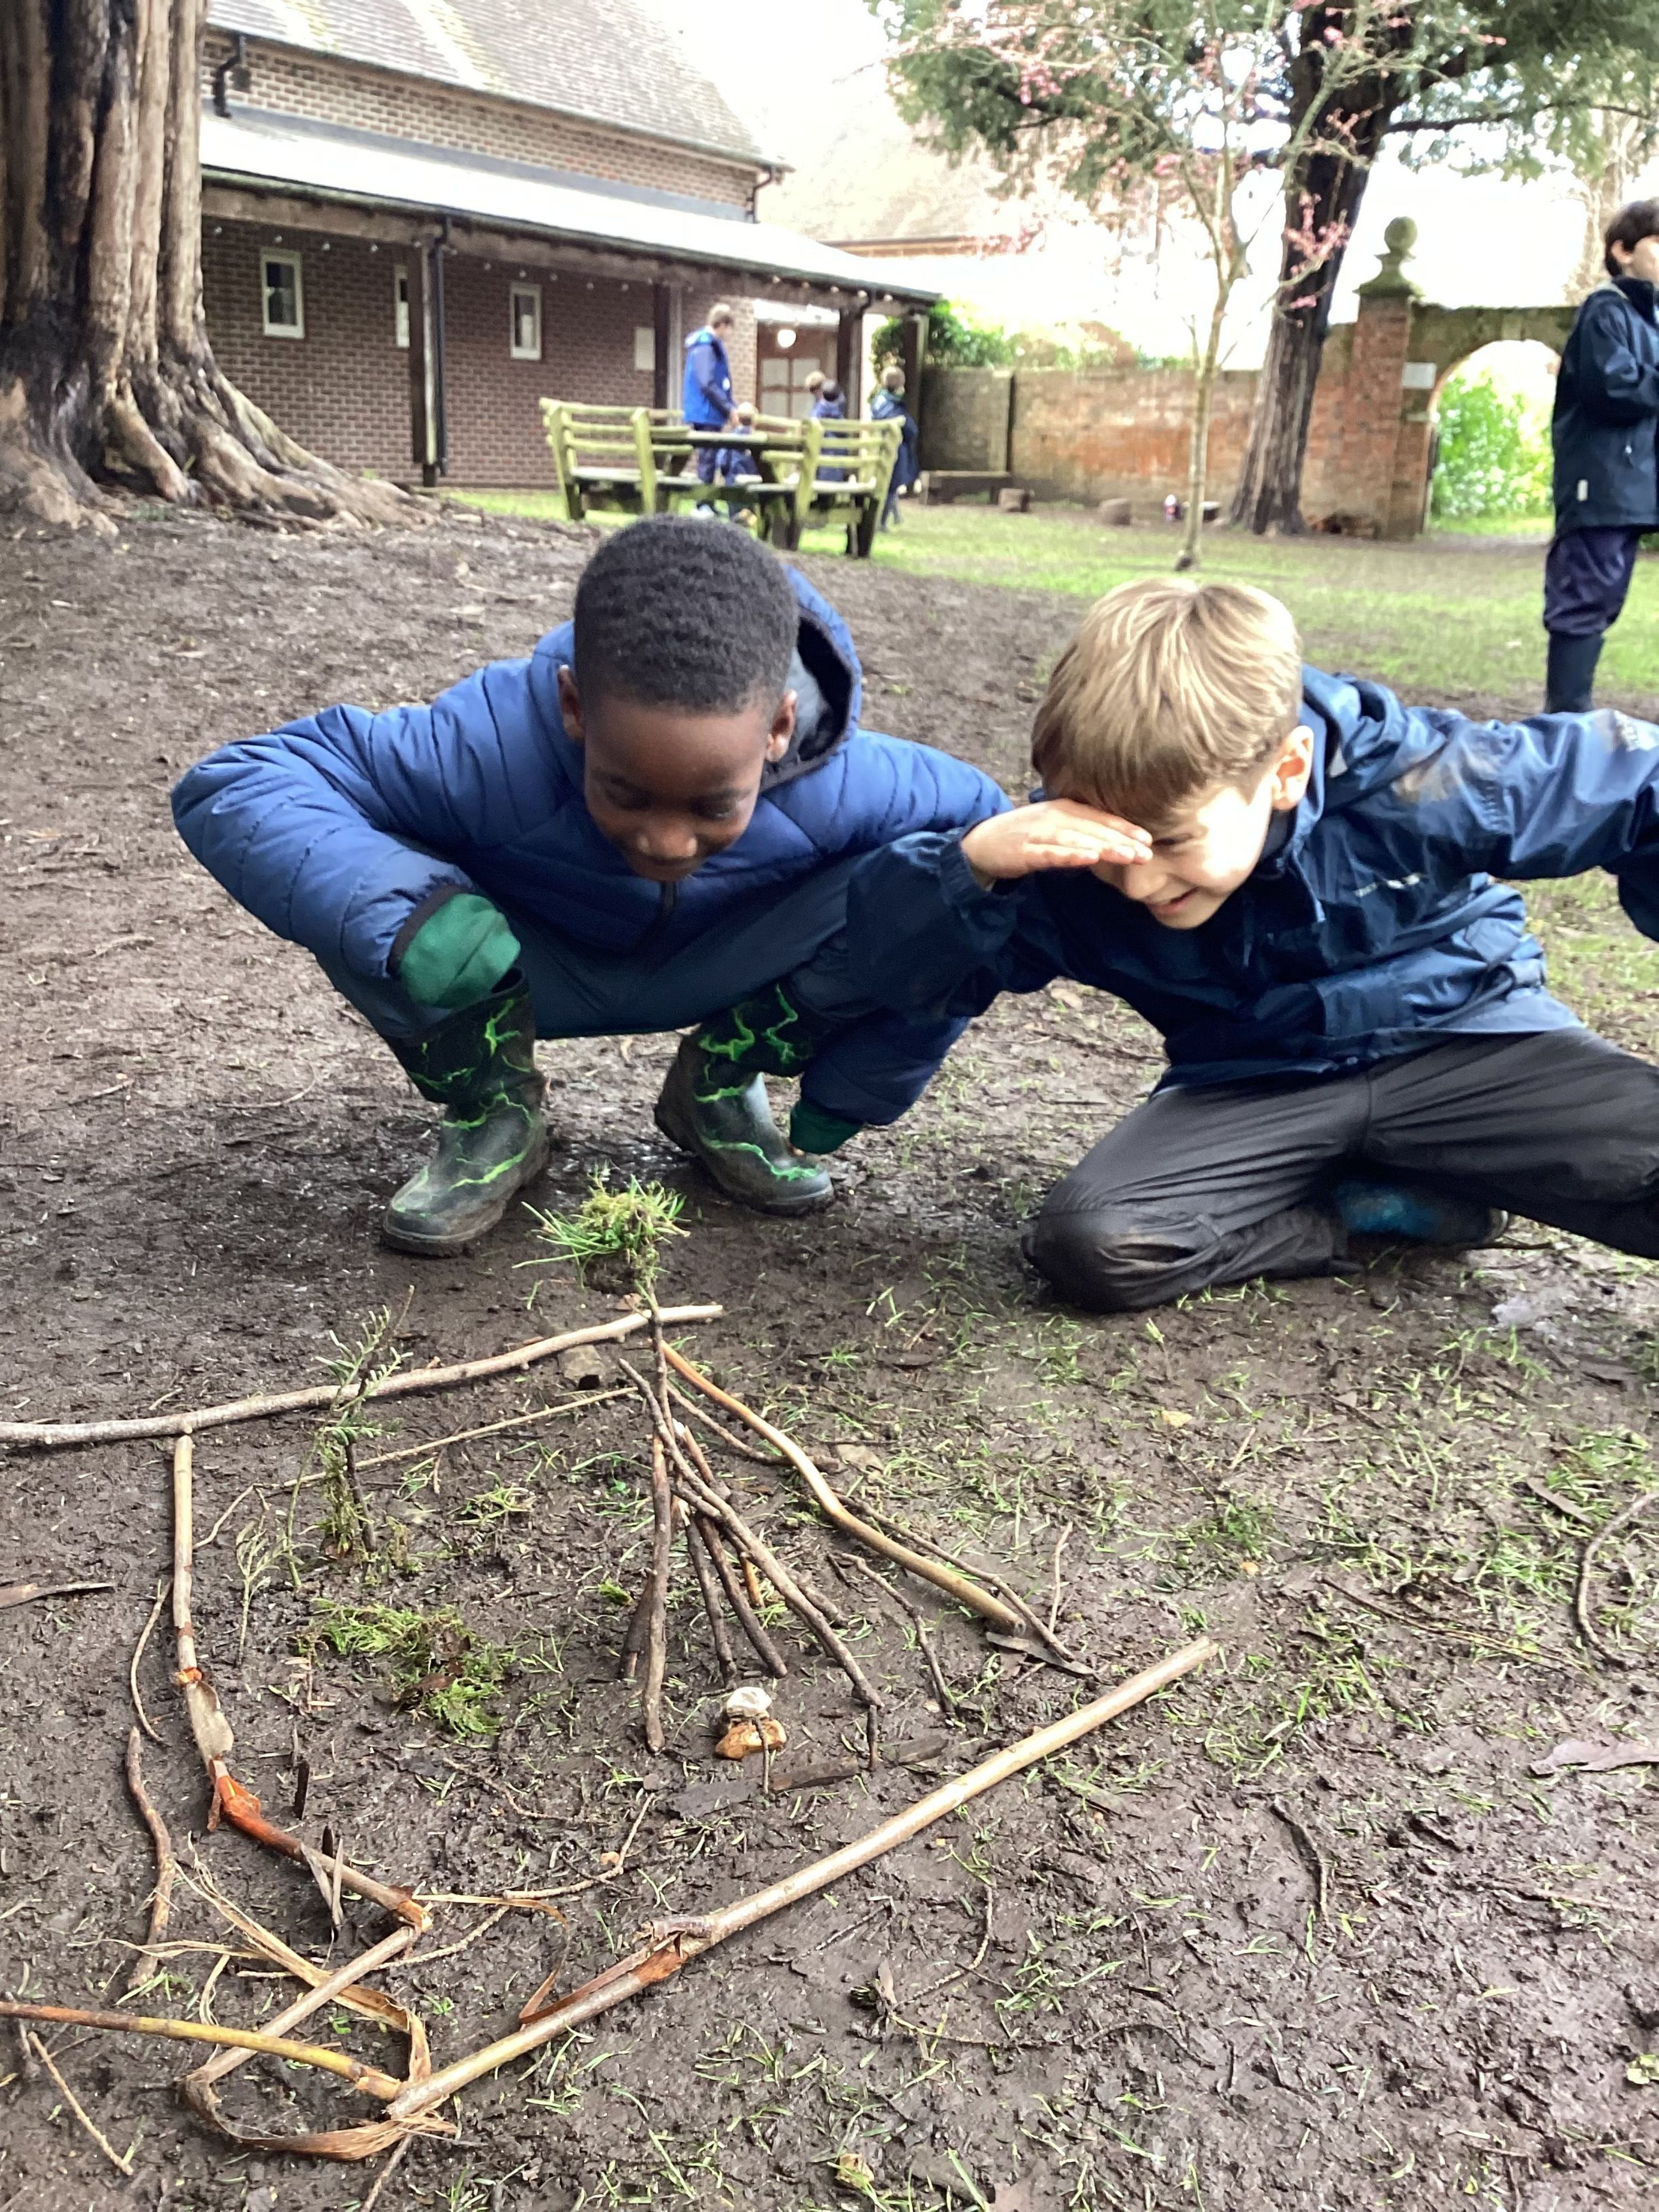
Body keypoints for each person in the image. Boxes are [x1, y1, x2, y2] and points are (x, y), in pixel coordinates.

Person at [173, 519, 1006, 1256]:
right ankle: (493, 1107)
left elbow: (989, 861)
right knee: (362, 883)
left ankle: (719, 1087)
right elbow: (240, 782)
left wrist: (864, 1083)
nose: (666, 842)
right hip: (519, 969)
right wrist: (402, 910)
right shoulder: (491, 741)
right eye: (626, 793)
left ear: (779, 728)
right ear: (575, 706)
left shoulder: (861, 783)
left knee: (955, 871)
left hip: (730, 967)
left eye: (713, 806)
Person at [844, 575, 1659, 1313]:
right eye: (1113, 848)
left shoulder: (1419, 784)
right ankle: (1364, 1214)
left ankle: (1442, 1169)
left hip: (1471, 1042)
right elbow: (899, 970)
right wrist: (972, 868)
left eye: (1170, 840)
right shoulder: (1072, 869)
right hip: (1256, 1080)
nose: (1137, 881)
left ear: (1286, 770)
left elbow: (1633, 777)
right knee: (1095, 1241)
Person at [1544, 199, 1659, 711]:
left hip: (1633, 486)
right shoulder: (1606, 309)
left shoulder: (1648, 320)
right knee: (1585, 598)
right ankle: (1565, 724)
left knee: (1604, 596)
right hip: (1602, 485)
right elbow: (1614, 388)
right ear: (1623, 251)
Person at [683, 305, 738, 485]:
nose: (730, 334)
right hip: (706, 412)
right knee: (707, 460)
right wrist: (728, 409)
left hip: (709, 411)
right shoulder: (706, 347)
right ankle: (703, 498)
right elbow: (707, 383)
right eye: (729, 328)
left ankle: (706, 497)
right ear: (722, 325)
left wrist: (731, 406)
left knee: (709, 458)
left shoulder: (710, 346)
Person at [870, 364, 920, 527]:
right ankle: (882, 522)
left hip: (880, 448)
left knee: (889, 485)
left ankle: (895, 517)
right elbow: (909, 429)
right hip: (896, 450)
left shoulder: (878, 401)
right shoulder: (894, 406)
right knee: (891, 486)